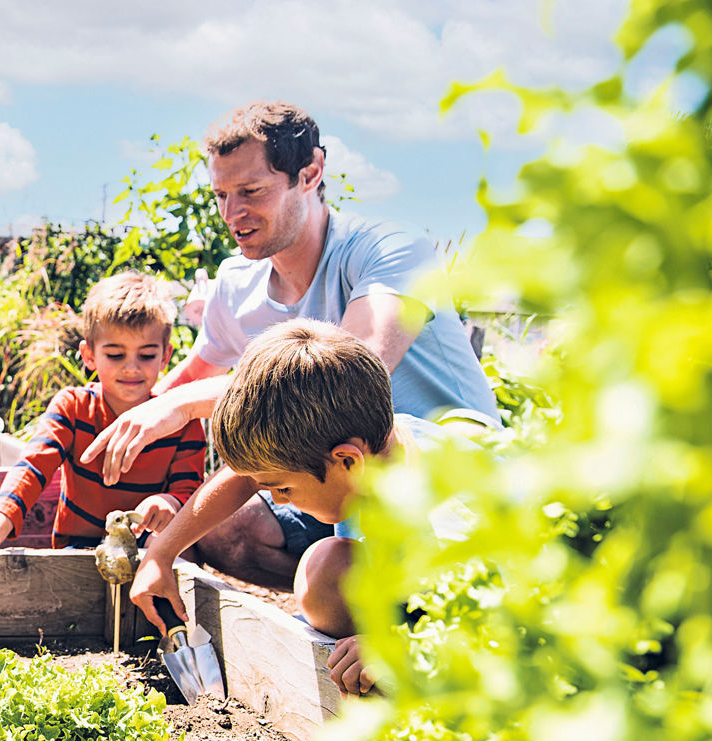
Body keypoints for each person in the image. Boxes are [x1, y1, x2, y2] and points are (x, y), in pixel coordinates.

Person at [81, 101, 498, 586]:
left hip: (437, 480)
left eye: (251, 191)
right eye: (220, 195)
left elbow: (349, 378)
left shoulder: (389, 251)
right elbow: (183, 386)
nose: (232, 214)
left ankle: (379, 602)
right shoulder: (237, 284)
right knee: (225, 531)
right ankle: (340, 598)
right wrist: (82, 428)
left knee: (321, 562)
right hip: (324, 476)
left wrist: (180, 405)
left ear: (311, 172)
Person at [131, 319, 479, 695]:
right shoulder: (368, 447)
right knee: (325, 570)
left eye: (282, 488)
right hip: (416, 588)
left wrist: (402, 645)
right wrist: (161, 555)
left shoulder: (448, 516)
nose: (275, 498)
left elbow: (513, 624)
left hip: (485, 627)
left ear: (347, 462)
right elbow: (248, 476)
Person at [0, 272, 206, 564]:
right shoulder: (74, 407)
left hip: (150, 550)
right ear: (89, 355)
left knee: (182, 556)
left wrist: (168, 501)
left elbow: (190, 492)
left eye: (146, 355)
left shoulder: (182, 423)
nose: (132, 368)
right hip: (78, 550)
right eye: (115, 355)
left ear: (165, 356)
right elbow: (32, 467)